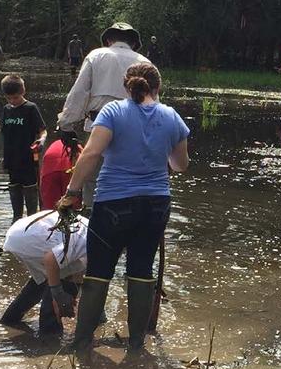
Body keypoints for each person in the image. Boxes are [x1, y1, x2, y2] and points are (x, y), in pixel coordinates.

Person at [61, 62, 190, 351]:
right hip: (156, 205)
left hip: (113, 203)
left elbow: (93, 152)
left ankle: (81, 342)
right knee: (142, 270)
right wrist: (162, 156)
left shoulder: (112, 112)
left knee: (98, 271)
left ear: (126, 86)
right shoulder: (171, 117)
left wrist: (72, 191)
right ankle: (136, 345)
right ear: (158, 87)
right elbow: (181, 165)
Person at [57, 22, 150, 209]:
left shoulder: (96, 55)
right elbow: (152, 103)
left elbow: (79, 93)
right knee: (127, 180)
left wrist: (66, 124)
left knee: (92, 178)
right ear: (133, 43)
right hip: (132, 131)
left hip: (97, 126)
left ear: (108, 40)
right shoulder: (144, 63)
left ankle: (93, 217)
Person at [0, 210, 88, 334]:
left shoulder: (92, 230)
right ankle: (49, 337)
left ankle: (9, 321)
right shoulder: (89, 241)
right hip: (28, 239)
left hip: (19, 234)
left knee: (45, 281)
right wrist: (59, 294)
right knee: (60, 282)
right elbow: (50, 260)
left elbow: (79, 273)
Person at [0, 74, 47, 220]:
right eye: (9, 98)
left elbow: (43, 130)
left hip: (27, 159)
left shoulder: (30, 108)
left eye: (15, 98)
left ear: (23, 91)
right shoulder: (6, 109)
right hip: (11, 159)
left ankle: (32, 219)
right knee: (14, 188)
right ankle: (16, 220)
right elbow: (1, 132)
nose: (13, 101)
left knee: (30, 189)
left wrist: (42, 140)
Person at [39, 130, 79, 211]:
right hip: (70, 168)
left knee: (50, 211)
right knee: (74, 210)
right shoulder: (80, 148)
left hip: (50, 169)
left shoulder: (53, 146)